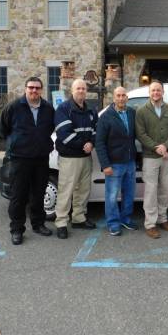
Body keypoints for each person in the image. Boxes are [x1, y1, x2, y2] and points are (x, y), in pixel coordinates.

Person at [0, 76, 55, 245]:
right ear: (25, 89)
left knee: (38, 194)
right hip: (19, 159)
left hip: (41, 159)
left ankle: (38, 224)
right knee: (18, 196)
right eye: (31, 87)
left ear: (41, 90)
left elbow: (49, 128)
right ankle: (16, 229)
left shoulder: (48, 108)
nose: (34, 90)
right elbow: (2, 128)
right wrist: (15, 142)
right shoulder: (14, 107)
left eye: (37, 88)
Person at [135, 80, 168, 239]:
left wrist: (166, 147)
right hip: (150, 157)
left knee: (165, 190)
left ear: (163, 92)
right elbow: (140, 134)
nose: (156, 93)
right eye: (153, 90)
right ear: (149, 92)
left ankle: (163, 219)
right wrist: (157, 147)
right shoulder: (142, 111)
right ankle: (150, 224)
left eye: (158, 90)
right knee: (151, 191)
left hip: (167, 156)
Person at [53, 79, 97, 239]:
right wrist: (83, 145)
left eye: (83, 89)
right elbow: (64, 134)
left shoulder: (90, 110)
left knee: (83, 190)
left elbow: (95, 130)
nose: (81, 91)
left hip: (86, 157)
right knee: (66, 190)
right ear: (72, 91)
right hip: (70, 157)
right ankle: (61, 222)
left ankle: (78, 218)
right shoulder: (63, 109)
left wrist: (91, 143)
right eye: (78, 88)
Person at [95, 87, 138, 236]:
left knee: (129, 193)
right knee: (112, 195)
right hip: (114, 164)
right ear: (113, 98)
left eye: (123, 95)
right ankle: (113, 223)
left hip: (130, 162)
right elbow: (99, 142)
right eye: (118, 95)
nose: (121, 98)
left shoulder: (132, 113)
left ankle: (125, 219)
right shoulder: (106, 117)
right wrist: (105, 164)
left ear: (126, 97)